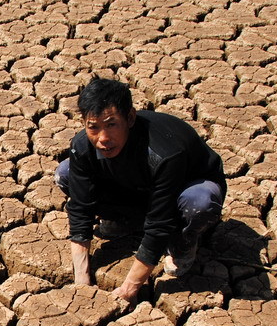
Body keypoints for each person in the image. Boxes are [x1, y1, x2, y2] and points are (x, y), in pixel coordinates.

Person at [55, 77, 226, 303]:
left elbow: (159, 223)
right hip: (139, 189)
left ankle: (183, 240)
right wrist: (82, 280)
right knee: (66, 173)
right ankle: (127, 221)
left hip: (183, 191)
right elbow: (79, 210)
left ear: (130, 118)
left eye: (111, 124)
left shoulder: (165, 152)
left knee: (200, 202)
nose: (103, 138)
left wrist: (127, 290)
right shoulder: (82, 146)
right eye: (93, 127)